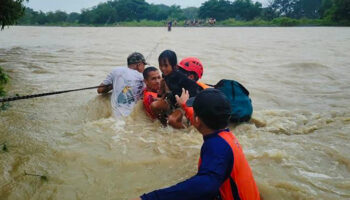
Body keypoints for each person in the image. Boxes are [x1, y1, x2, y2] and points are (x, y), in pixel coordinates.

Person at [131, 88, 261, 200]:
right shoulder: (226, 136)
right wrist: (184, 105)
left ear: (198, 120)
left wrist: (150, 198)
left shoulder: (216, 146)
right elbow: (198, 118)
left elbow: (205, 186)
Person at [157, 50, 203, 128]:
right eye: (160, 65)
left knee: (172, 120)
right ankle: (163, 126)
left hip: (185, 103)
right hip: (174, 100)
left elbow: (194, 89)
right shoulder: (166, 74)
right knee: (155, 106)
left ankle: (184, 131)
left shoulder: (180, 77)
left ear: (174, 66)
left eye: (165, 66)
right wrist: (161, 97)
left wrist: (185, 104)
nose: (162, 68)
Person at [97, 52, 146, 117]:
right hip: (133, 116)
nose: (144, 67)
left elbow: (100, 90)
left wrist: (113, 85)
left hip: (115, 115)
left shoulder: (116, 71)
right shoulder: (143, 77)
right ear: (139, 65)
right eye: (144, 65)